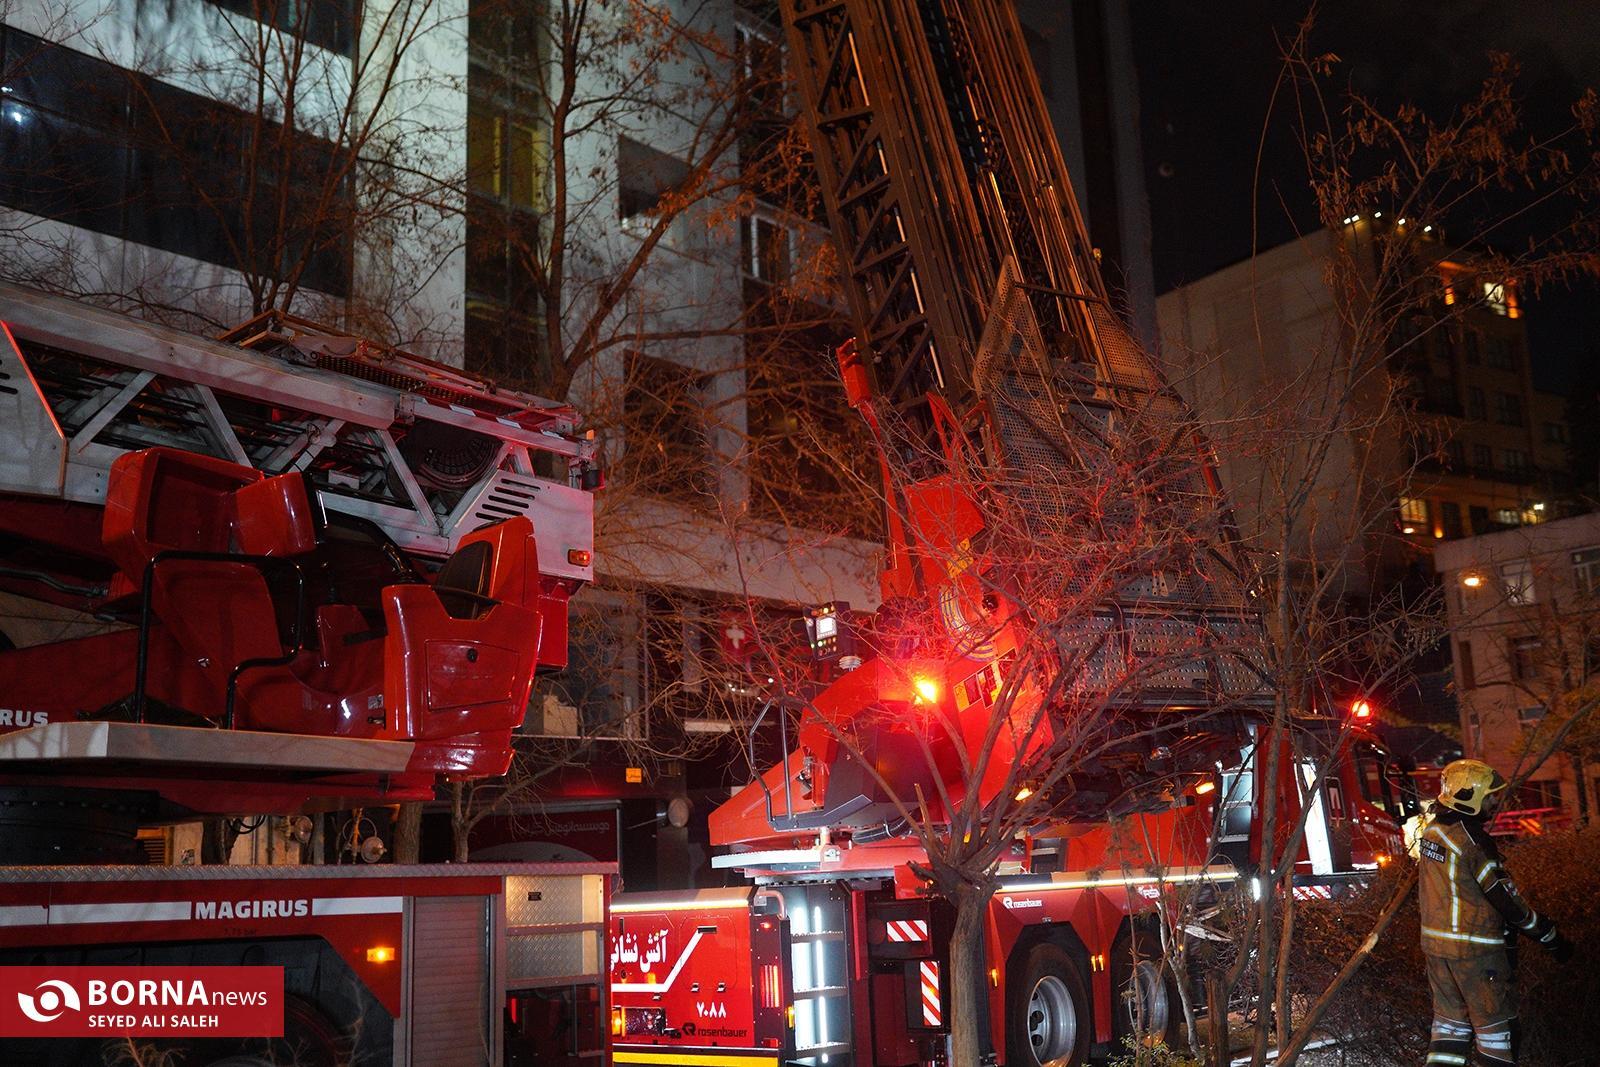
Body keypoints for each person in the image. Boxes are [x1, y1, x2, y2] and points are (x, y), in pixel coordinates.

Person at [1418, 758, 1573, 1066]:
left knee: (1450, 1028)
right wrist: (1550, 936)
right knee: (1496, 1035)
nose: (1494, 801)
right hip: (1475, 953)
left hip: (1436, 950)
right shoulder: (1472, 842)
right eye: (1489, 795)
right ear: (1471, 797)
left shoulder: (1432, 832)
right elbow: (1508, 904)